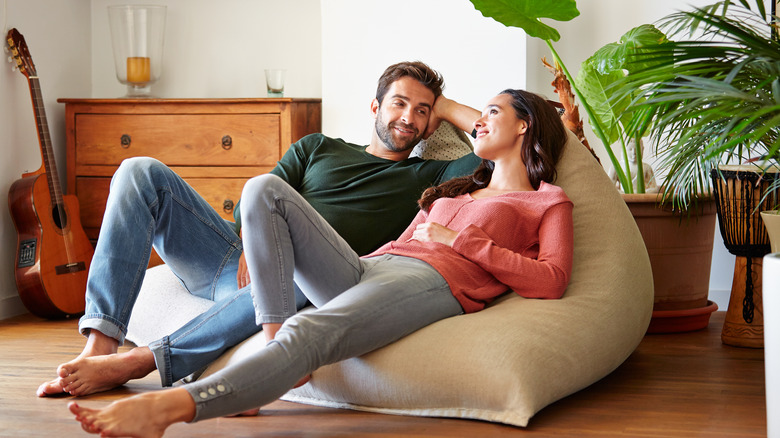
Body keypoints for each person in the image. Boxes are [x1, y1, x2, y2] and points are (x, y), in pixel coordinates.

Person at [68, 89, 575, 437]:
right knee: (261, 188)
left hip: (433, 279)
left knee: (310, 334)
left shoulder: (547, 201)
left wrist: (467, 243)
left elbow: (552, 281)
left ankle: (174, 406)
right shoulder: (461, 187)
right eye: (399, 102)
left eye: (493, 112)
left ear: (525, 124)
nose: (480, 120)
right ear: (376, 105)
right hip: (374, 265)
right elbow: (397, 245)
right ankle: (269, 348)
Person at [37, 61, 482, 397]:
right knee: (138, 171)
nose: (409, 117)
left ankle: (141, 361)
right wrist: (254, 246)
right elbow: (260, 198)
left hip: (302, 279)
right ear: (375, 106)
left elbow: (495, 147)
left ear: (431, 123)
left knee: (297, 271)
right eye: (399, 102)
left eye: (422, 111)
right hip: (233, 262)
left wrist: (443, 106)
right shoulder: (318, 147)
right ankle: (100, 343)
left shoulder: (429, 176)